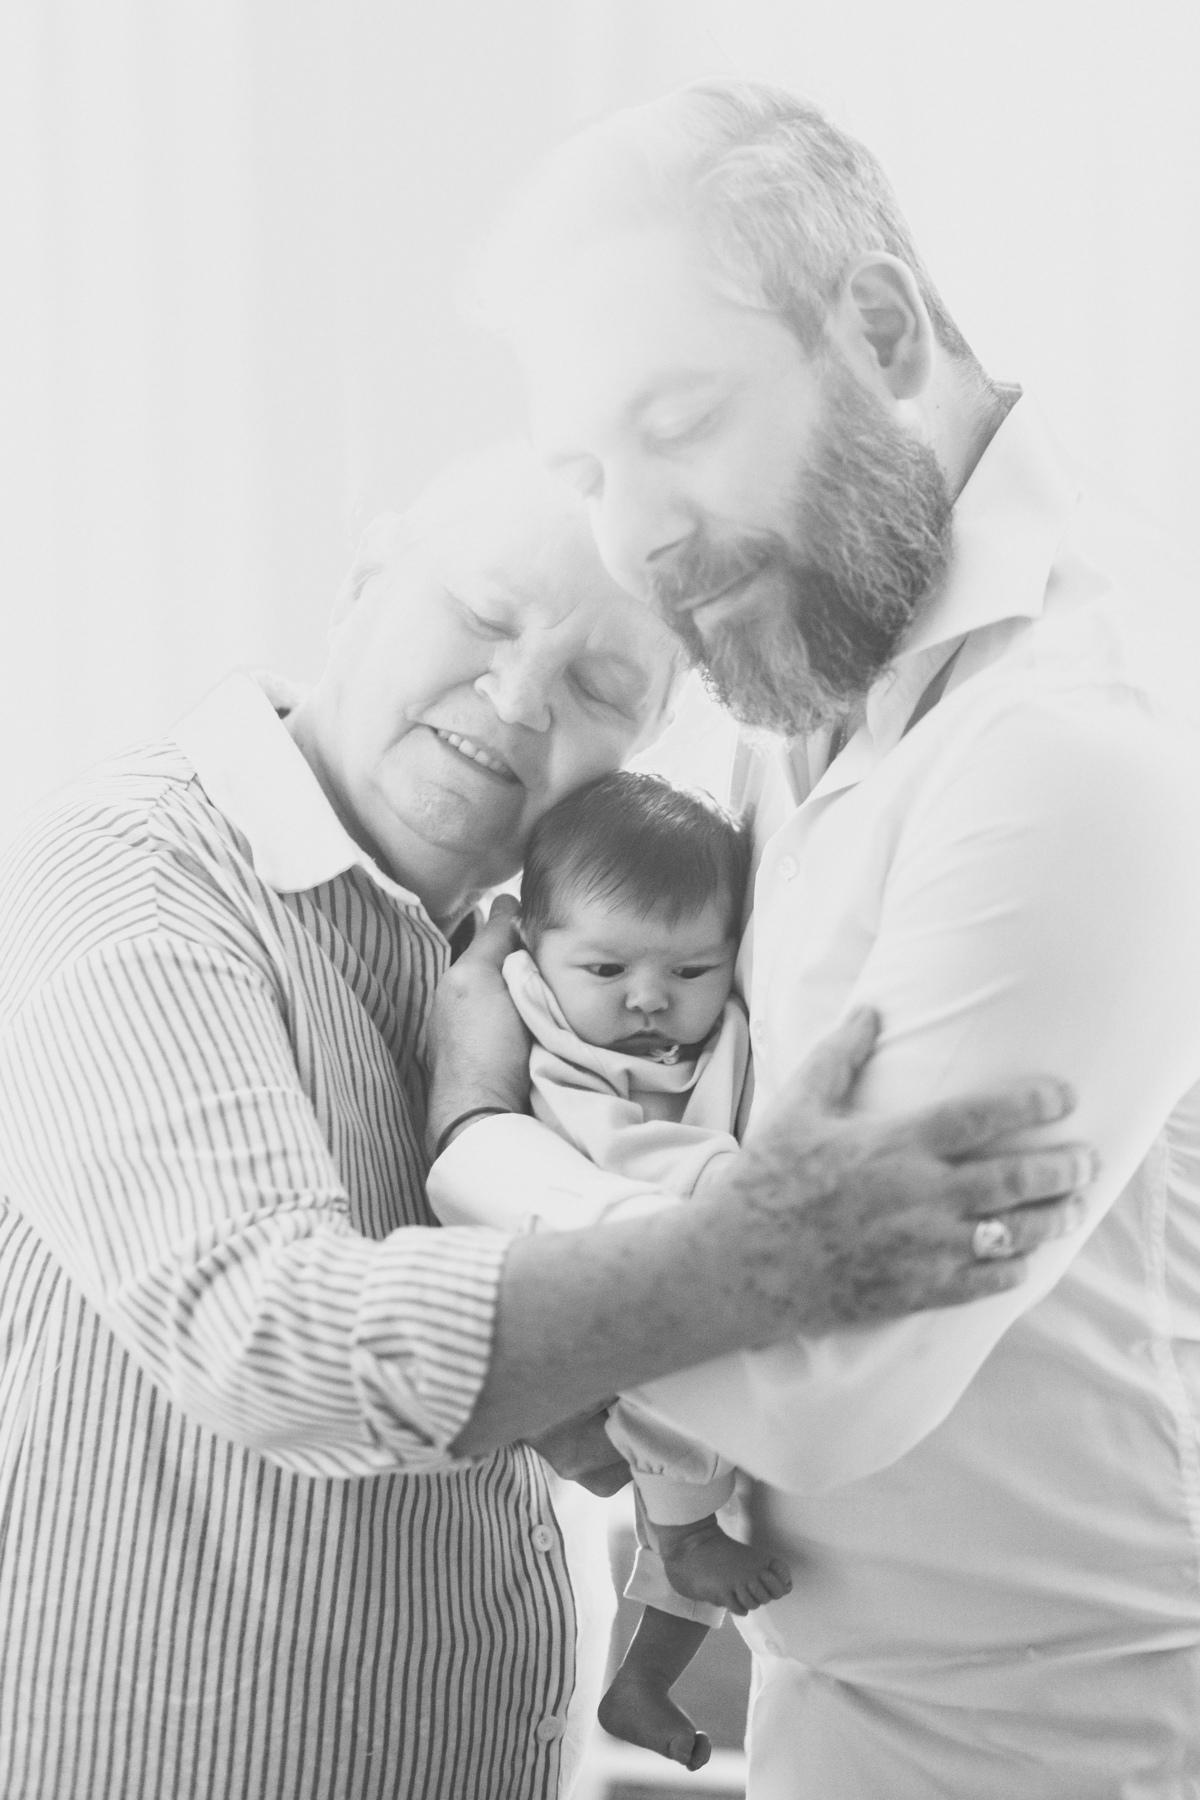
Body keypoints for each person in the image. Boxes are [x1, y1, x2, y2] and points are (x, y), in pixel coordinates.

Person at [0, 443, 1087, 1800]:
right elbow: (270, 1344)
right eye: (482, 614)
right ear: (365, 576)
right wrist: (751, 1259)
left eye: (600, 686)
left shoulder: (523, 975)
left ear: (639, 746)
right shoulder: (139, 876)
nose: (518, 699)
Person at [426, 82, 1200, 1796]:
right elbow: (732, 1204)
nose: (637, 531)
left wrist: (475, 1142)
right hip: (825, 1716)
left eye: (680, 418)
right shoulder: (793, 698)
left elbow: (820, 1380)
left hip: (1071, 1755)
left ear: (880, 327)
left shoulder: (1078, 740)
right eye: (589, 470)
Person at [438, 769, 789, 1772]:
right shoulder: (551, 1031)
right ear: (534, 951)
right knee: (687, 1446)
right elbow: (627, 1159)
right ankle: (680, 1547)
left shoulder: (706, 1031)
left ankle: (643, 1683)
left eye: (691, 969)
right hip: (591, 1284)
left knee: (720, 1480)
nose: (648, 997)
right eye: (605, 968)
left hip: (666, 1290)